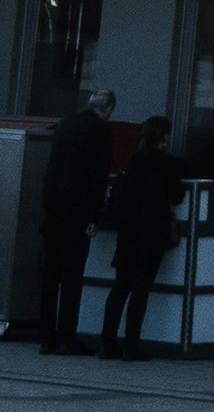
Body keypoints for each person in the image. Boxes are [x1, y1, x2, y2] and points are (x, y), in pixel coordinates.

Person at [28, 90, 115, 355]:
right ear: (108, 109)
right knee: (72, 275)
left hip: (54, 209)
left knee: (50, 276)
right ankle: (67, 334)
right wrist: (94, 216)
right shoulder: (101, 131)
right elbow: (97, 176)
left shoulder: (66, 125)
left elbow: (54, 169)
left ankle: (46, 336)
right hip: (79, 210)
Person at [97, 114, 189, 358]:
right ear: (165, 137)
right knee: (141, 288)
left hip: (128, 231)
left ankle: (107, 342)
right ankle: (131, 344)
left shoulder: (131, 160)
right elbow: (177, 195)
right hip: (153, 232)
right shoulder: (168, 165)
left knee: (121, 286)